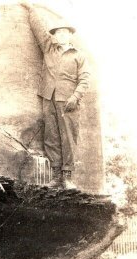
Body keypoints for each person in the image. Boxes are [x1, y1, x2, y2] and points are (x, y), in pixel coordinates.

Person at [21, 1, 90, 190]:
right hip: (48, 98)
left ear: (69, 35)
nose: (60, 35)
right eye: (57, 32)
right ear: (55, 35)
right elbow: (38, 28)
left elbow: (84, 79)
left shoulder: (78, 55)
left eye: (64, 32)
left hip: (68, 101)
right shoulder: (49, 48)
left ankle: (67, 176)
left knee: (68, 137)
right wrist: (31, 8)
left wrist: (75, 98)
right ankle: (57, 174)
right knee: (50, 137)